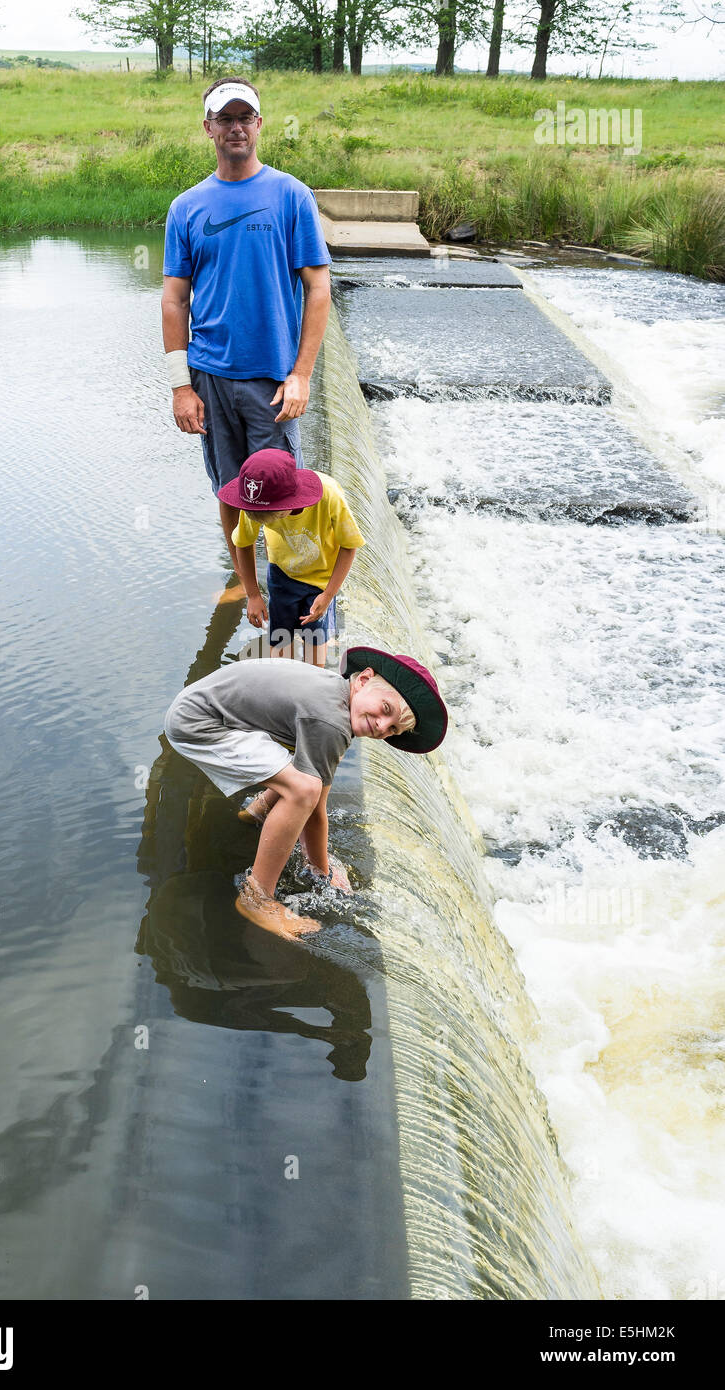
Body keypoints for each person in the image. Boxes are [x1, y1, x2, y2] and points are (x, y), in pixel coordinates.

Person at [161, 76, 332, 589]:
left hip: (272, 383)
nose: (235, 127)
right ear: (208, 127)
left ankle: (293, 594)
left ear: (259, 124)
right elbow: (174, 299)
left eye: (244, 118)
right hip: (210, 379)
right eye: (225, 119)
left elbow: (318, 290)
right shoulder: (187, 207)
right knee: (230, 489)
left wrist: (301, 374)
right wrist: (180, 385)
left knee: (283, 495)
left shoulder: (291, 196)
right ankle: (243, 583)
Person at [163, 647, 449, 938]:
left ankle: (259, 811)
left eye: (394, 730)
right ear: (363, 680)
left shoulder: (335, 692)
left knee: (303, 776)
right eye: (386, 710)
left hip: (203, 707)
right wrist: (322, 872)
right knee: (303, 790)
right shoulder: (330, 723)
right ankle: (257, 899)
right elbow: (315, 807)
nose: (382, 726)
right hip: (198, 724)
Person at [219, 448, 365, 667]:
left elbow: (349, 545)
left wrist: (328, 595)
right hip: (282, 575)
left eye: (271, 521)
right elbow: (244, 542)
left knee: (316, 641)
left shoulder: (329, 496)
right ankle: (282, 678)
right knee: (279, 639)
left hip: (321, 580)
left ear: (287, 504)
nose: (264, 525)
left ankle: (314, 683)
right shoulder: (256, 501)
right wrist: (253, 595)